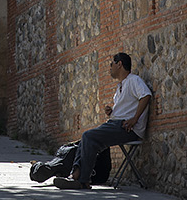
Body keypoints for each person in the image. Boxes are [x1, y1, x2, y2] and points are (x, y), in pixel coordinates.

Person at [54, 52, 152, 189]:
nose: (110, 67)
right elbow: (127, 107)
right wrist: (112, 111)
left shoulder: (133, 80)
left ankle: (81, 179)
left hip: (127, 128)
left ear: (119, 64)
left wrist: (134, 119)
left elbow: (146, 95)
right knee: (86, 140)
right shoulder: (120, 87)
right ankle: (75, 176)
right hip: (116, 124)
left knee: (88, 136)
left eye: (111, 64)